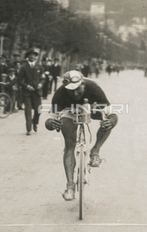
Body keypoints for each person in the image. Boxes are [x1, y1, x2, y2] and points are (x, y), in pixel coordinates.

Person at [45, 70, 118, 201]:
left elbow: (112, 113)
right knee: (69, 146)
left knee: (106, 121)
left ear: (83, 84)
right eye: (70, 91)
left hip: (91, 109)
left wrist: (111, 121)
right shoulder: (60, 93)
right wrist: (52, 123)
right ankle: (70, 186)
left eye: (78, 89)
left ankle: (95, 151)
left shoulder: (93, 88)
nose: (75, 93)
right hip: (70, 112)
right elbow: (49, 119)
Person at [18, 48, 45, 135]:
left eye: (34, 55)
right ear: (27, 56)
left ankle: (35, 122)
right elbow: (19, 80)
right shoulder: (23, 67)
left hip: (37, 92)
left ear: (36, 57)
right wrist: (27, 86)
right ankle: (28, 128)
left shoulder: (39, 67)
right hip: (27, 92)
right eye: (30, 55)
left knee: (38, 110)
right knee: (28, 110)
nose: (32, 56)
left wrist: (41, 84)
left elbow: (43, 78)